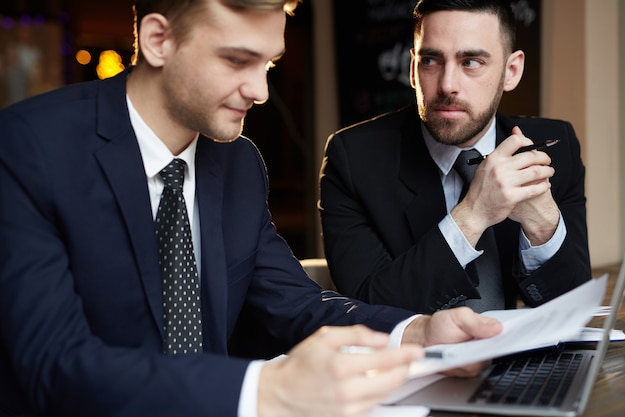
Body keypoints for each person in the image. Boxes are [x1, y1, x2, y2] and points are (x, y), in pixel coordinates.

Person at [0, 1, 503, 416]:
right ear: (158, 41)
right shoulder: (29, 148)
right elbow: (53, 365)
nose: (260, 91)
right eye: (238, 61)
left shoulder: (238, 162)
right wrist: (268, 390)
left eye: (269, 64)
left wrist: (415, 331)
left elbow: (298, 304)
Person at [319, 0, 590, 314]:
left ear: (511, 71)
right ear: (412, 69)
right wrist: (473, 215)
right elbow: (368, 307)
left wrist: (543, 228)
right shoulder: (354, 159)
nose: (447, 85)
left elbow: (576, 309)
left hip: (528, 359)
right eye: (431, 61)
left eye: (471, 62)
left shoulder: (552, 146)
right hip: (414, 361)